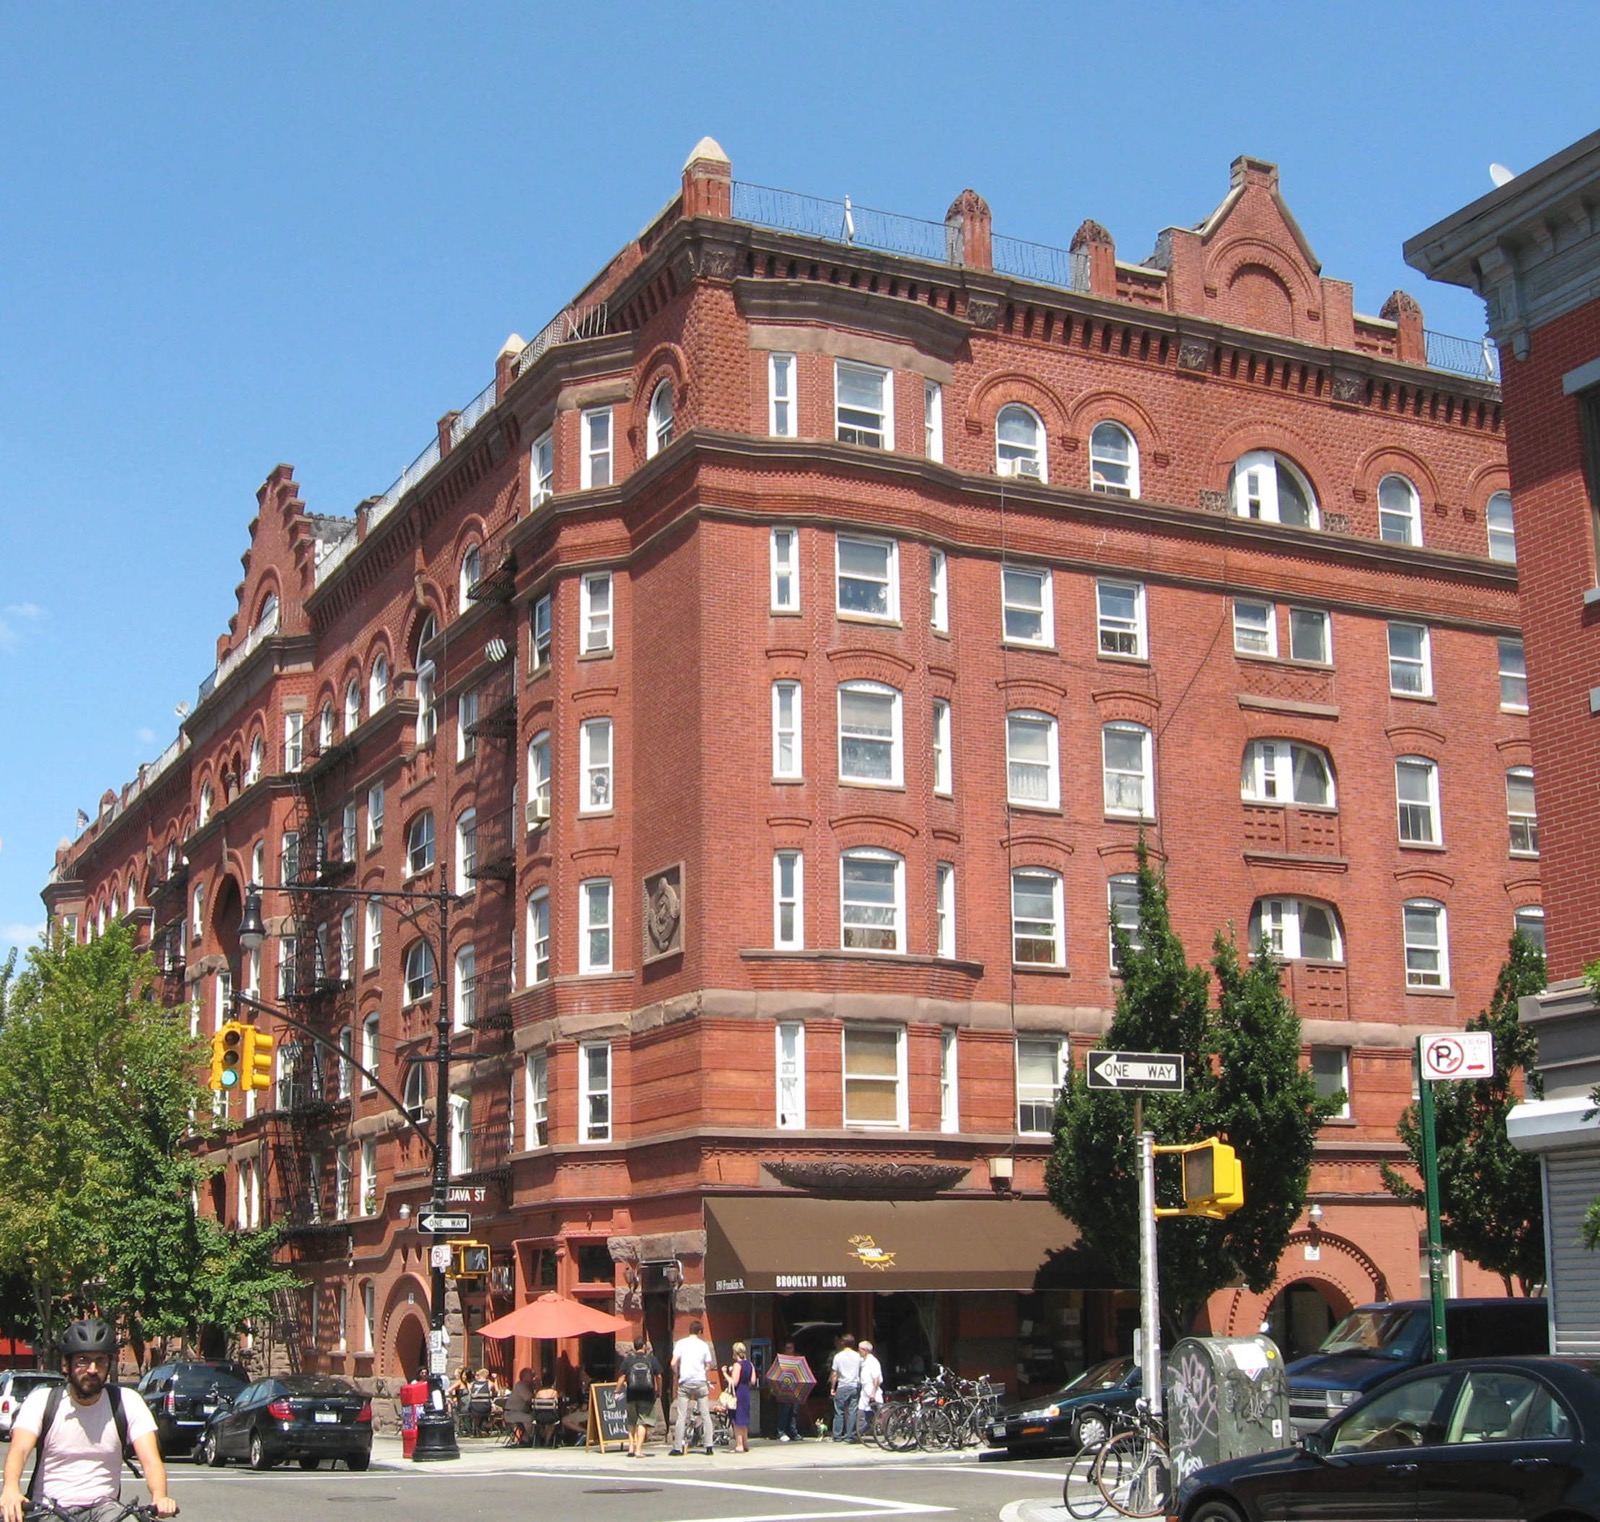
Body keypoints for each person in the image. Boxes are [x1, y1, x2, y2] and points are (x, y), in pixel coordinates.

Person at [0, 1316, 178, 1522]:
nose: (92, 1369)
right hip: (50, 1507)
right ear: (66, 1365)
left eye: (100, 1360)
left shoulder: (127, 1402)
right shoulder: (43, 1400)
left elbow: (150, 1460)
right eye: (83, 1361)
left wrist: (160, 1496)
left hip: (105, 1510)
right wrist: (11, 1489)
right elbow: (19, 1450)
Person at [669, 1319, 715, 1456]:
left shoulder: (681, 1344)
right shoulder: (703, 1345)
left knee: (682, 1415)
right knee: (705, 1414)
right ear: (700, 1331)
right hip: (700, 1381)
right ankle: (709, 1446)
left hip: (685, 1381)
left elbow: (673, 1363)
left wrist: (678, 1373)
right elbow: (708, 1365)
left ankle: (677, 1447)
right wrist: (703, 1372)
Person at [615, 1336, 663, 1457]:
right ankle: (639, 1449)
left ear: (634, 1347)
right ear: (644, 1347)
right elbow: (659, 1376)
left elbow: (622, 1376)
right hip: (647, 1394)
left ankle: (631, 1447)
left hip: (632, 1393)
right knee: (643, 1421)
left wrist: (617, 1390)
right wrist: (658, 1390)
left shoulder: (628, 1359)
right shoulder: (651, 1359)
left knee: (631, 1421)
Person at [830, 1333, 862, 1441]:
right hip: (854, 1386)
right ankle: (850, 1435)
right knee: (852, 1411)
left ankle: (837, 1435)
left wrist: (832, 1388)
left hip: (842, 1385)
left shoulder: (838, 1357)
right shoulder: (858, 1356)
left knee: (839, 1411)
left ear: (843, 1343)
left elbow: (834, 1374)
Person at [724, 1341, 754, 1453]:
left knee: (737, 1420)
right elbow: (753, 1380)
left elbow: (734, 1382)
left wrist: (725, 1373)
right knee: (744, 1420)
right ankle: (745, 1444)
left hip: (738, 1393)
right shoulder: (750, 1364)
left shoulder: (737, 1365)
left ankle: (739, 1445)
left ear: (734, 1352)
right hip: (746, 1391)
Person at [772, 1340, 802, 1442]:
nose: (789, 1350)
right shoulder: (781, 1360)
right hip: (783, 1390)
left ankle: (793, 1432)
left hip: (795, 1390)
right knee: (784, 1411)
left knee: (794, 1412)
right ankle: (781, 1432)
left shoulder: (797, 1360)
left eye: (791, 1348)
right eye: (787, 1348)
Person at [503, 1367, 536, 1447]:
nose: (533, 1378)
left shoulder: (528, 1386)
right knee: (530, 1419)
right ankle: (530, 1438)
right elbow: (529, 1398)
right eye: (531, 1376)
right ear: (524, 1376)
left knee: (534, 1417)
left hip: (519, 1412)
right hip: (511, 1413)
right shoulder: (520, 1386)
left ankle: (527, 1438)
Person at [857, 1339, 884, 1437]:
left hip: (872, 1390)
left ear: (865, 1350)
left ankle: (886, 1432)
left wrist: (873, 1392)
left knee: (879, 1412)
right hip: (864, 1390)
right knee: (862, 1411)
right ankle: (861, 1432)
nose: (858, 1351)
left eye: (860, 1349)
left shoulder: (873, 1361)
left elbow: (876, 1378)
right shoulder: (864, 1361)